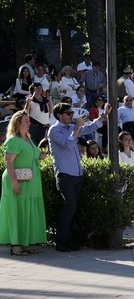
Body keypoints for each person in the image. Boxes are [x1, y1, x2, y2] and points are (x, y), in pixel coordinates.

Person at [46, 102, 108, 252]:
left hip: (77, 174)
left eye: (72, 113)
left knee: (74, 209)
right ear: (59, 115)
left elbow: (91, 127)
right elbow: (67, 144)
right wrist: (77, 129)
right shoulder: (54, 130)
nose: (71, 116)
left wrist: (104, 115)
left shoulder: (72, 128)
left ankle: (70, 240)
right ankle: (61, 242)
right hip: (65, 175)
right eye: (68, 113)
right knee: (69, 207)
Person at [0, 111, 46, 256]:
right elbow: (8, 162)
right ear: (18, 123)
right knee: (17, 212)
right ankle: (15, 245)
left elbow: (34, 155)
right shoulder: (14, 140)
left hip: (30, 181)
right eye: (26, 121)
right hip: (17, 180)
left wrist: (42, 155)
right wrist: (14, 183)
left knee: (26, 212)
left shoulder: (28, 138)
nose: (29, 123)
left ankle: (25, 244)